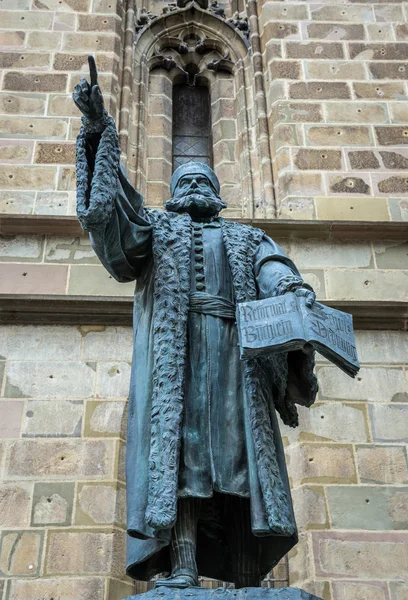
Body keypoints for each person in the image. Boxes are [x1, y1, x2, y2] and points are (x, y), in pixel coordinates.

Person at [73, 57, 318, 589]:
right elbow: (114, 219)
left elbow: (274, 270)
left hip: (236, 357)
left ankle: (249, 576)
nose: (194, 183)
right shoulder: (158, 231)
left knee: (240, 464)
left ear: (216, 190)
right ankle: (181, 568)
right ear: (176, 191)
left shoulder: (247, 237)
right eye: (186, 179)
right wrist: (97, 132)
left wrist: (291, 290)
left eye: (202, 178)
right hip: (177, 361)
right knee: (183, 464)